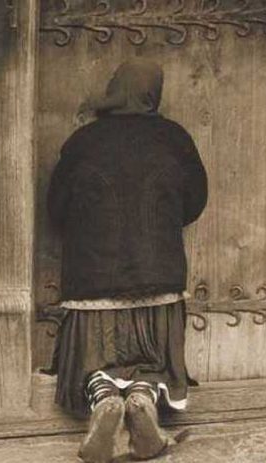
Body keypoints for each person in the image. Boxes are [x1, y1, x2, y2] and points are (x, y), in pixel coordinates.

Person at [46, 59, 208, 463]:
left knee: (96, 361)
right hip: (159, 276)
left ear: (114, 90)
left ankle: (104, 401)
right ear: (154, 93)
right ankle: (142, 399)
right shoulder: (175, 138)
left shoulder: (82, 141)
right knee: (150, 360)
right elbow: (194, 202)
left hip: (91, 281)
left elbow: (56, 208)